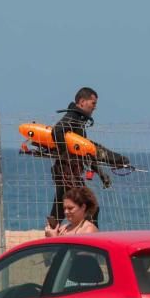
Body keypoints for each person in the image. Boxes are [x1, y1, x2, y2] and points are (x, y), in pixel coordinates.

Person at [47, 87, 109, 231]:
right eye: (93, 103)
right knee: (90, 207)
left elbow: (85, 152)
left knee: (59, 209)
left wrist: (100, 173)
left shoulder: (78, 120)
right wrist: (65, 157)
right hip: (68, 172)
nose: (95, 107)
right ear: (82, 102)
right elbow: (57, 130)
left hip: (67, 172)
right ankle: (92, 242)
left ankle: (50, 240)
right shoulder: (72, 117)